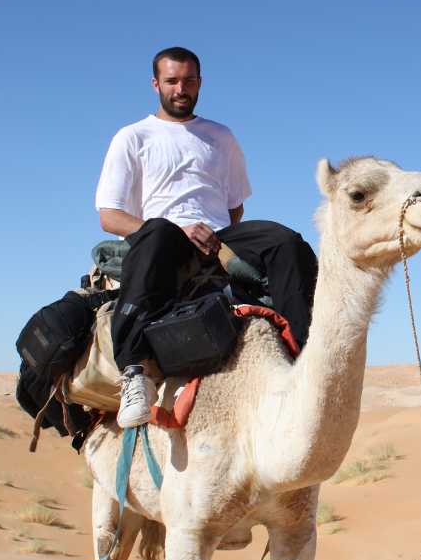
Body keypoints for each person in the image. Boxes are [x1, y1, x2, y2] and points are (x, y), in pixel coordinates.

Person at [95, 47, 318, 428]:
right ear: (156, 84)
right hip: (162, 238)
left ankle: (304, 355)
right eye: (171, 81)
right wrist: (178, 229)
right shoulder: (133, 136)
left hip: (220, 237)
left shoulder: (220, 136)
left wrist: (217, 240)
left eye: (189, 80)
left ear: (199, 83)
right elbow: (110, 217)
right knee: (160, 230)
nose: (181, 88)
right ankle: (135, 373)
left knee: (286, 240)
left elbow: (235, 207)